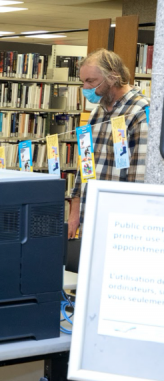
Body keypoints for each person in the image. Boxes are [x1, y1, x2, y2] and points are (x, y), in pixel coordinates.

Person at [68, 49, 149, 239]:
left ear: (112, 77)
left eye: (91, 81)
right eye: (83, 81)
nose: (85, 88)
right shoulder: (97, 113)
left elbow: (140, 176)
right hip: (91, 214)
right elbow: (85, 163)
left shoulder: (141, 112)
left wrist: (131, 226)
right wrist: (75, 208)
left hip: (121, 221)